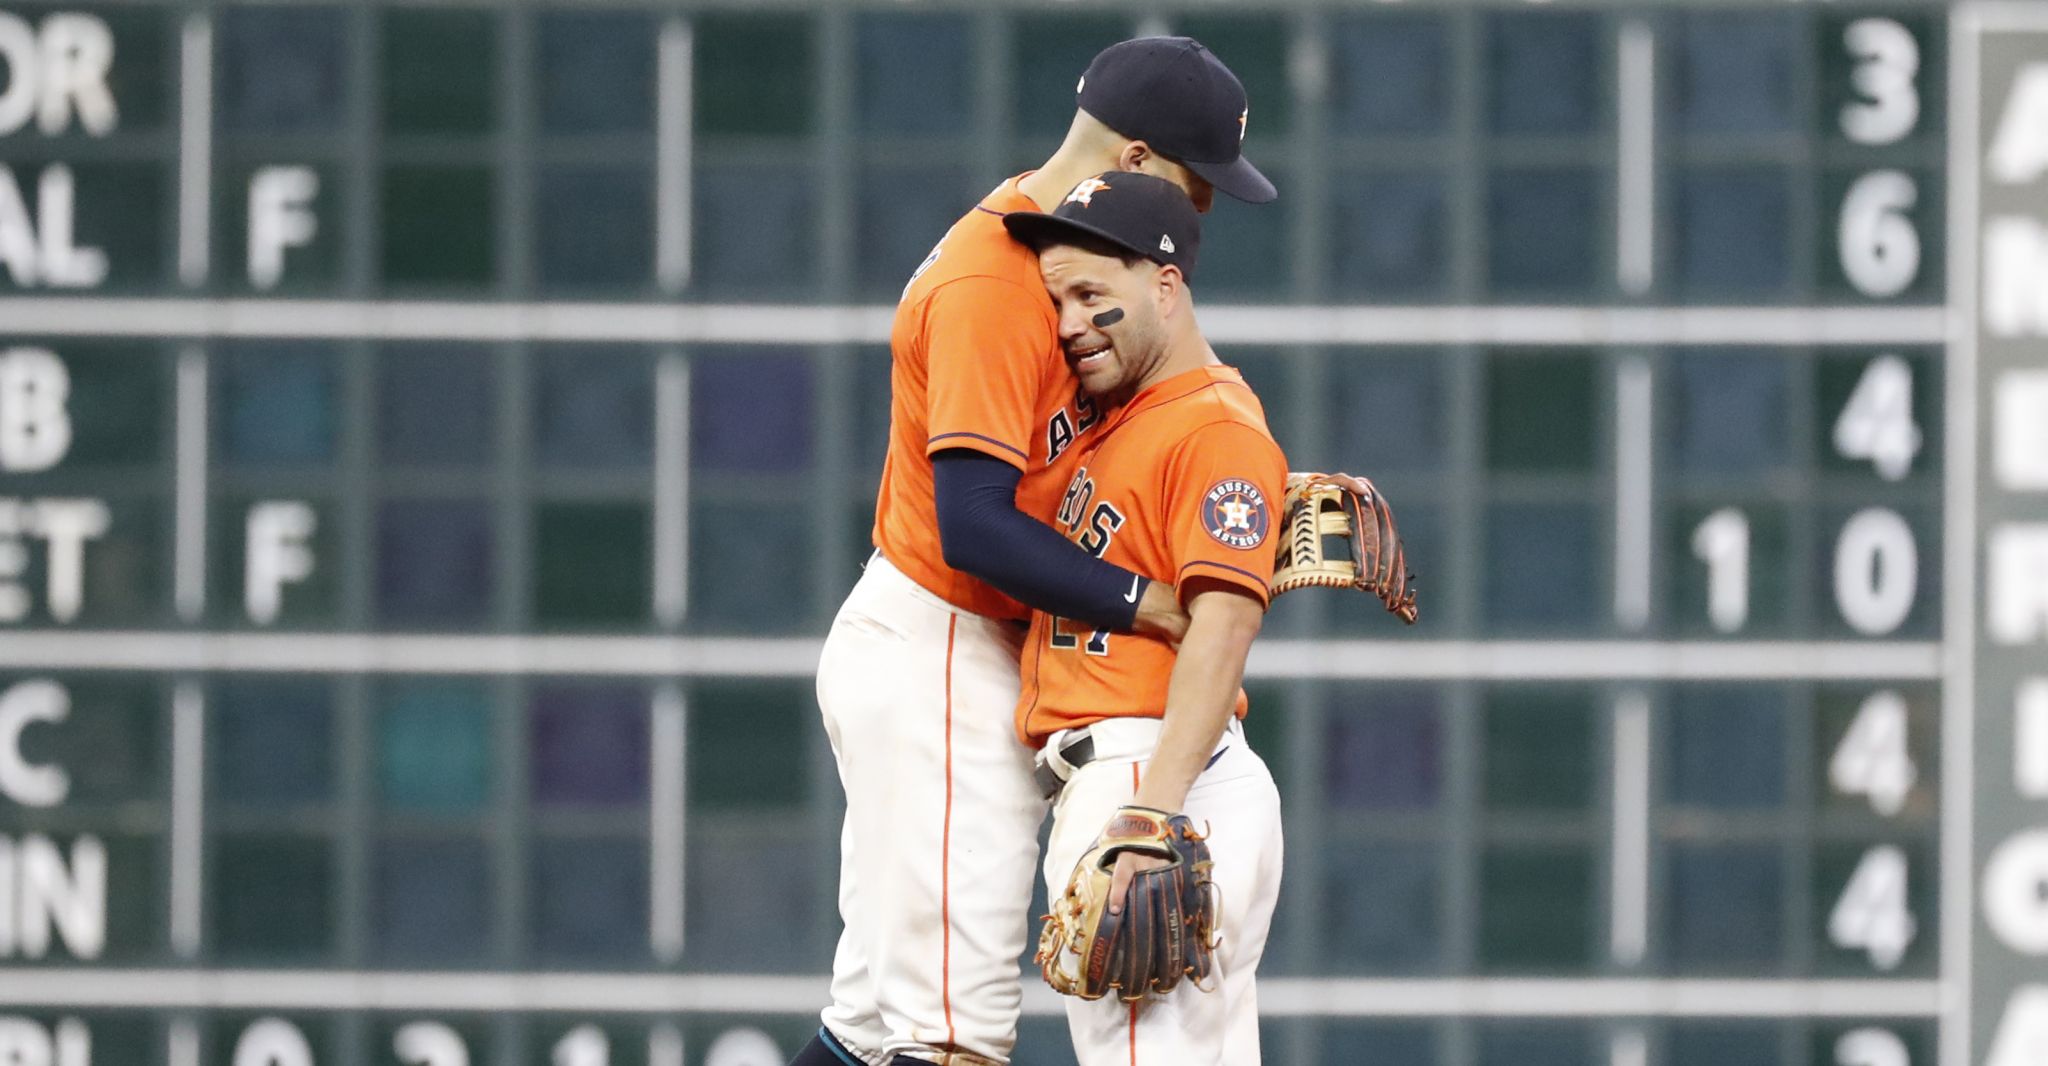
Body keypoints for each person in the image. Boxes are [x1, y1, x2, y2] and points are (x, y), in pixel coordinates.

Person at [789, 37, 1277, 1066]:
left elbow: (1142, 438)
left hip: (972, 651)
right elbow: (974, 524)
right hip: (942, 648)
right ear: (1135, 161)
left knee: (875, 1026)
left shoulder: (1064, 263)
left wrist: (1262, 497)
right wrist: (1151, 602)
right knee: (949, 1041)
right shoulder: (994, 285)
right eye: (1194, 187)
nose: (1199, 215)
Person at [1001, 172, 1285, 1065]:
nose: (1069, 322)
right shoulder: (1137, 420)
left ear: (1166, 285)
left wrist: (1150, 818)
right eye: (1058, 299)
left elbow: (1225, 630)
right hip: (1153, 776)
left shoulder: (1214, 429)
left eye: (1092, 292)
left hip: (1155, 776)